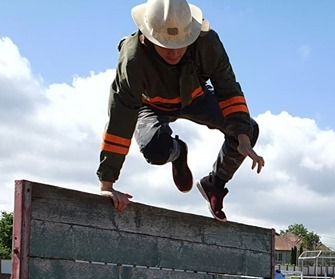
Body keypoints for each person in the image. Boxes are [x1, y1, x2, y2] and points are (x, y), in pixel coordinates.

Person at [98, 0, 264, 221]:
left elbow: (228, 88)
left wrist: (242, 138)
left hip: (195, 97)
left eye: (181, 44)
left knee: (248, 129)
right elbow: (121, 115)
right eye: (166, 46)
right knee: (155, 150)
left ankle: (214, 185)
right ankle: (178, 151)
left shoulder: (208, 43)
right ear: (148, 36)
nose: (174, 53)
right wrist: (107, 184)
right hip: (152, 105)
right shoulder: (133, 59)